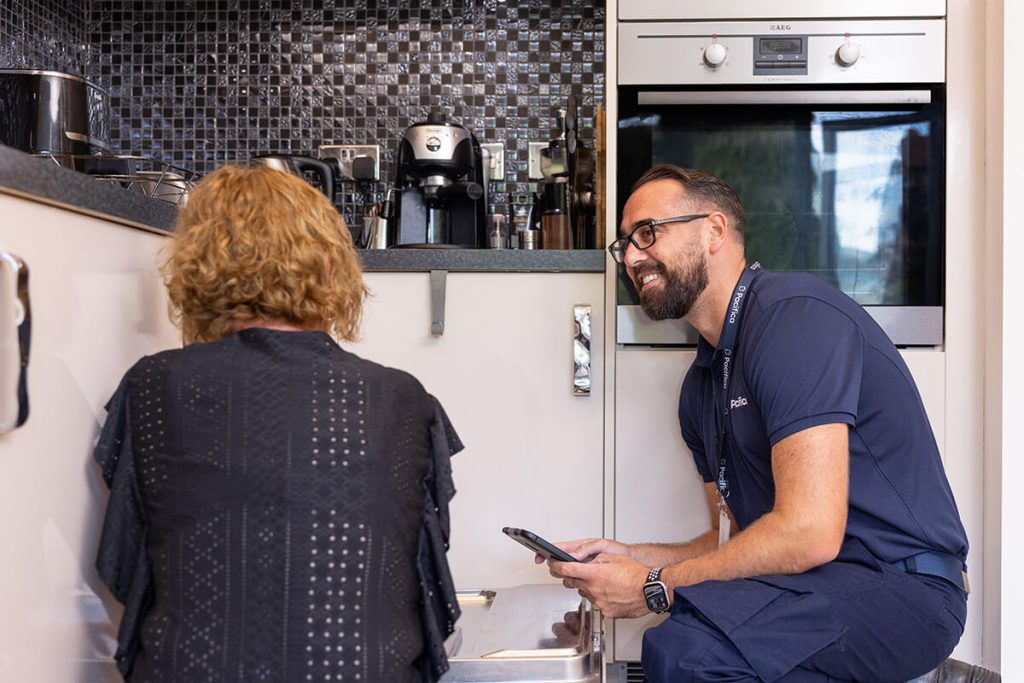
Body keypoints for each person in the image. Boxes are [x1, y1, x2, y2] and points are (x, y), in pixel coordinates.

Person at [546, 164, 968, 682]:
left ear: (714, 231)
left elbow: (808, 534)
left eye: (648, 232)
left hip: (905, 587)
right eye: (625, 244)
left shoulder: (795, 319)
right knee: (683, 640)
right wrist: (629, 557)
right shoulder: (700, 389)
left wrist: (654, 585)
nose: (631, 257)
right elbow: (734, 541)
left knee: (692, 651)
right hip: (816, 583)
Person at [93, 165, 463, 682]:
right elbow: (422, 575)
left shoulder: (156, 386)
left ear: (201, 266)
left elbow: (124, 567)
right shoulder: (401, 398)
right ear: (330, 264)